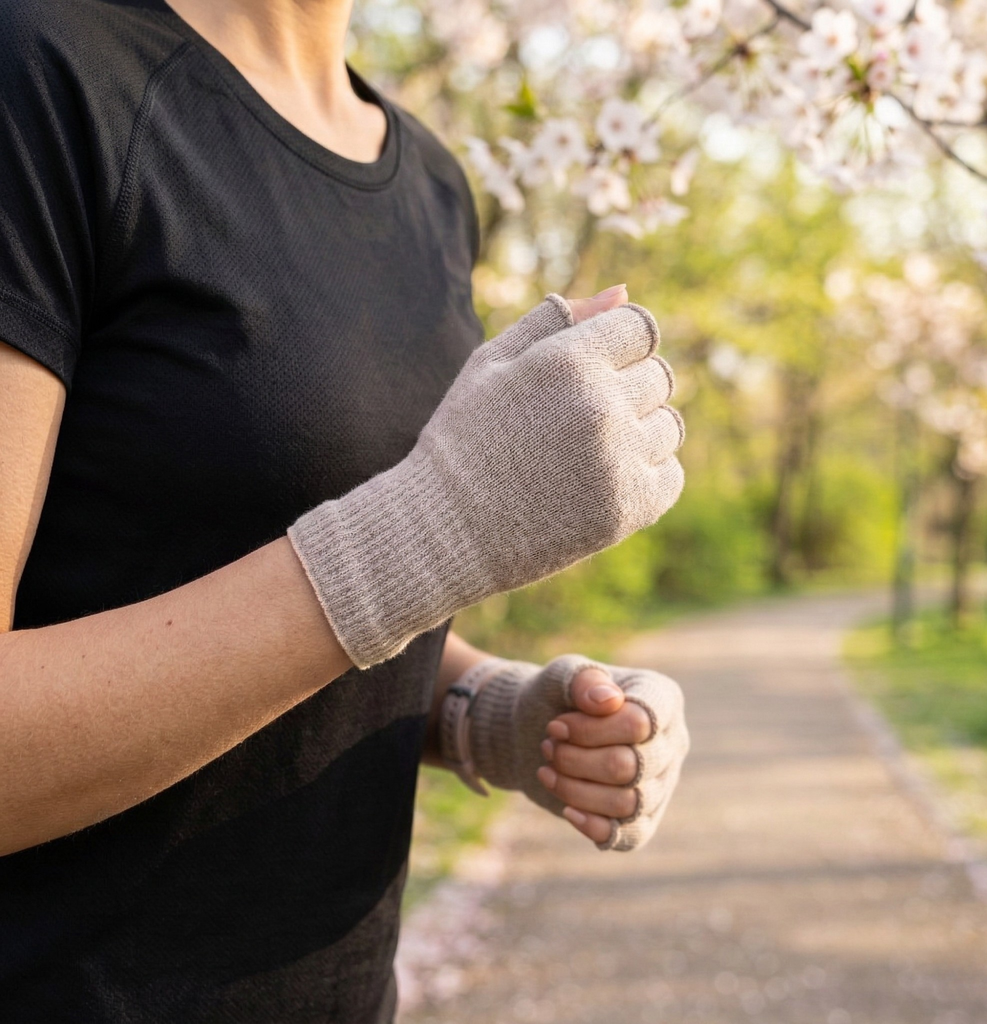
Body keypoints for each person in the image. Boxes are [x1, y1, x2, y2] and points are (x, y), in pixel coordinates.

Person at [0, 0, 689, 1020]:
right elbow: (384, 550)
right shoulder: (42, 74)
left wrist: (487, 712)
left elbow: (236, 567)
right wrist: (432, 530)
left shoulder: (432, 187)